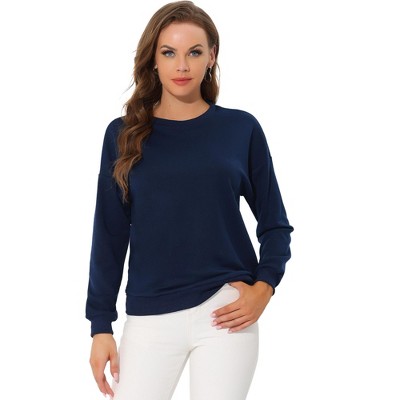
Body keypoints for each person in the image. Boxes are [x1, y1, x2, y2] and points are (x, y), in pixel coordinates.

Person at [85, 1, 294, 399]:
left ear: (212, 56)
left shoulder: (240, 129)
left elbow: (275, 223)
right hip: (150, 314)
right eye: (169, 53)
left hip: (226, 310)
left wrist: (263, 288)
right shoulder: (123, 135)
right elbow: (109, 236)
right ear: (153, 59)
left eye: (194, 52)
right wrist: (100, 325)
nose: (182, 66)